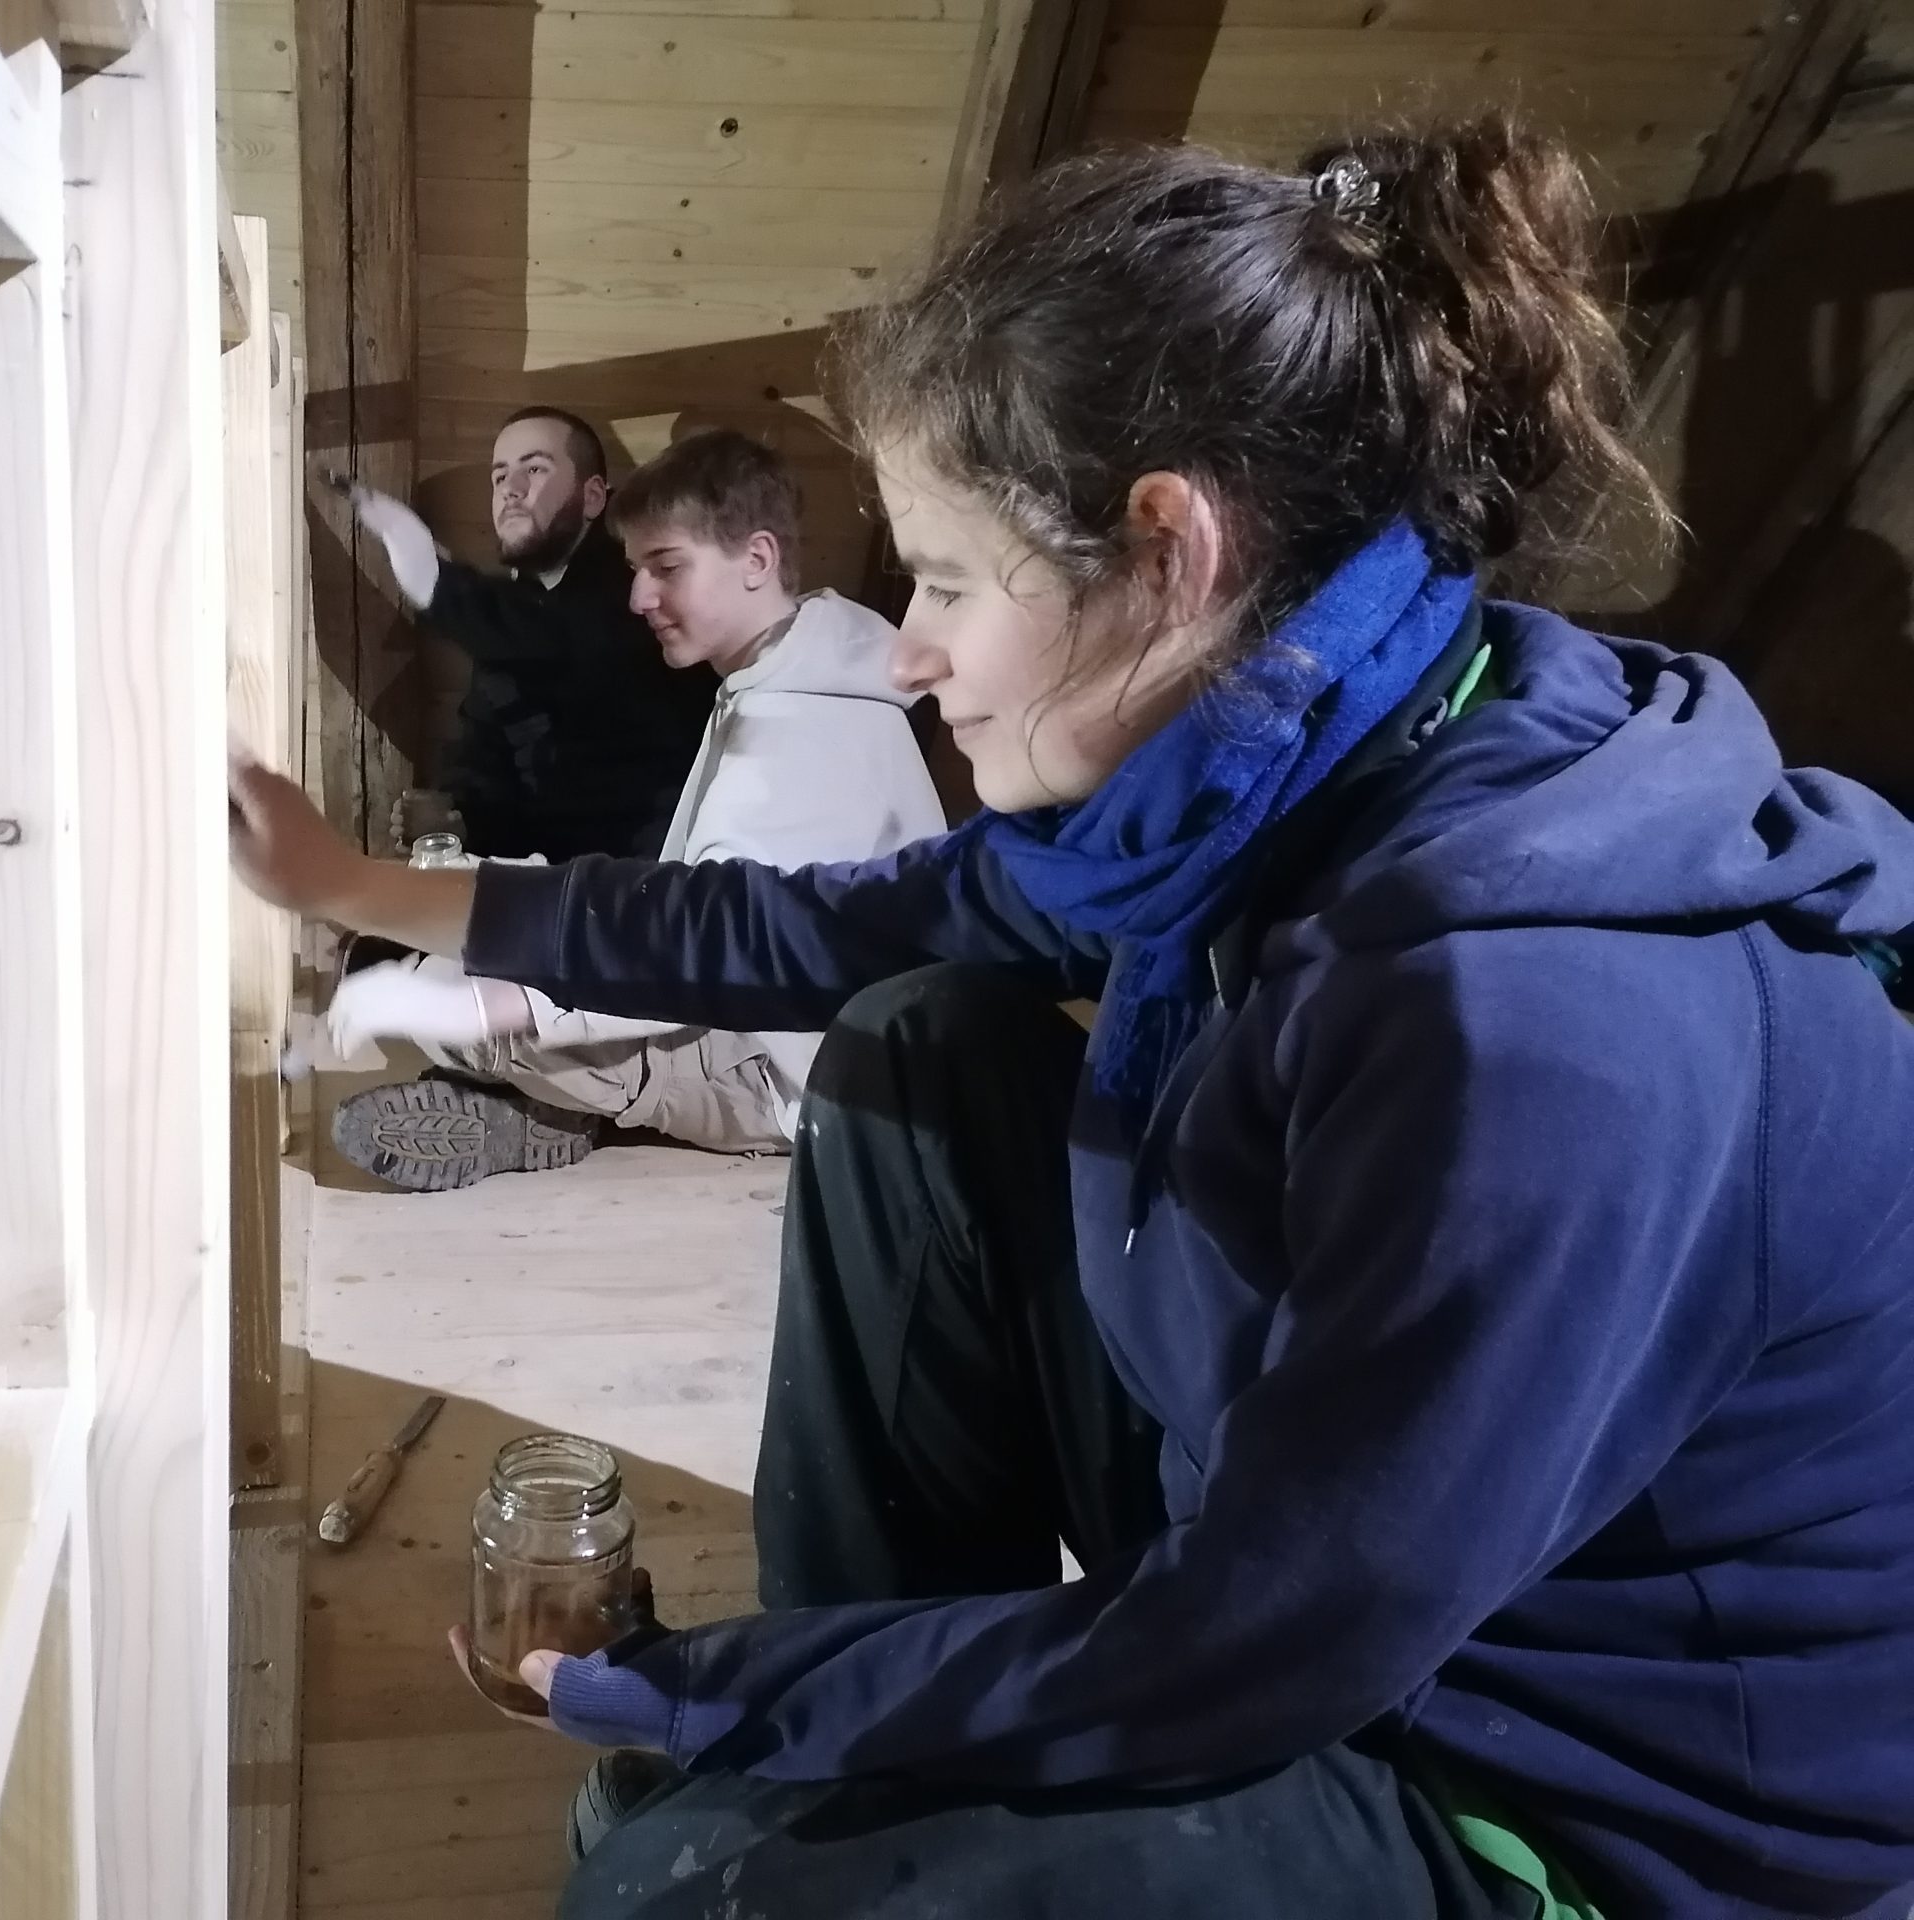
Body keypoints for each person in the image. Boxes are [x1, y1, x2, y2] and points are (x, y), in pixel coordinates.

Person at [233, 115, 1914, 1920]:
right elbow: (822, 925)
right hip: (1343, 1560)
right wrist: (366, 890)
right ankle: (862, 1737)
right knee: (919, 1051)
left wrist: (726, 1695)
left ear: (1170, 549)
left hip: (1582, 1797)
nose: (908, 649)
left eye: (949, 583)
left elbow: (1264, 1640)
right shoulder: (1281, 760)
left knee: (682, 1891)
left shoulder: (1540, 1028)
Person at [326, 430, 944, 1190]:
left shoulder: (802, 735)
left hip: (804, 1078)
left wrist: (495, 1003)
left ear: (757, 560)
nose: (639, 597)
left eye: (667, 568)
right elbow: (684, 900)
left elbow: (699, 955)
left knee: (450, 1002)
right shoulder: (786, 668)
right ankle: (543, 1103)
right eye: (637, 569)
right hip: (765, 1009)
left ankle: (553, 1115)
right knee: (460, 949)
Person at [348, 408, 718, 860]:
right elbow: (486, 740)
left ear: (593, 498)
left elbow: (563, 640)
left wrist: (437, 585)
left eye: (535, 469)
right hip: (546, 875)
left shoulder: (636, 590)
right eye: (499, 476)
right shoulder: (513, 611)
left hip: (648, 874)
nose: (511, 488)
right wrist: (457, 816)